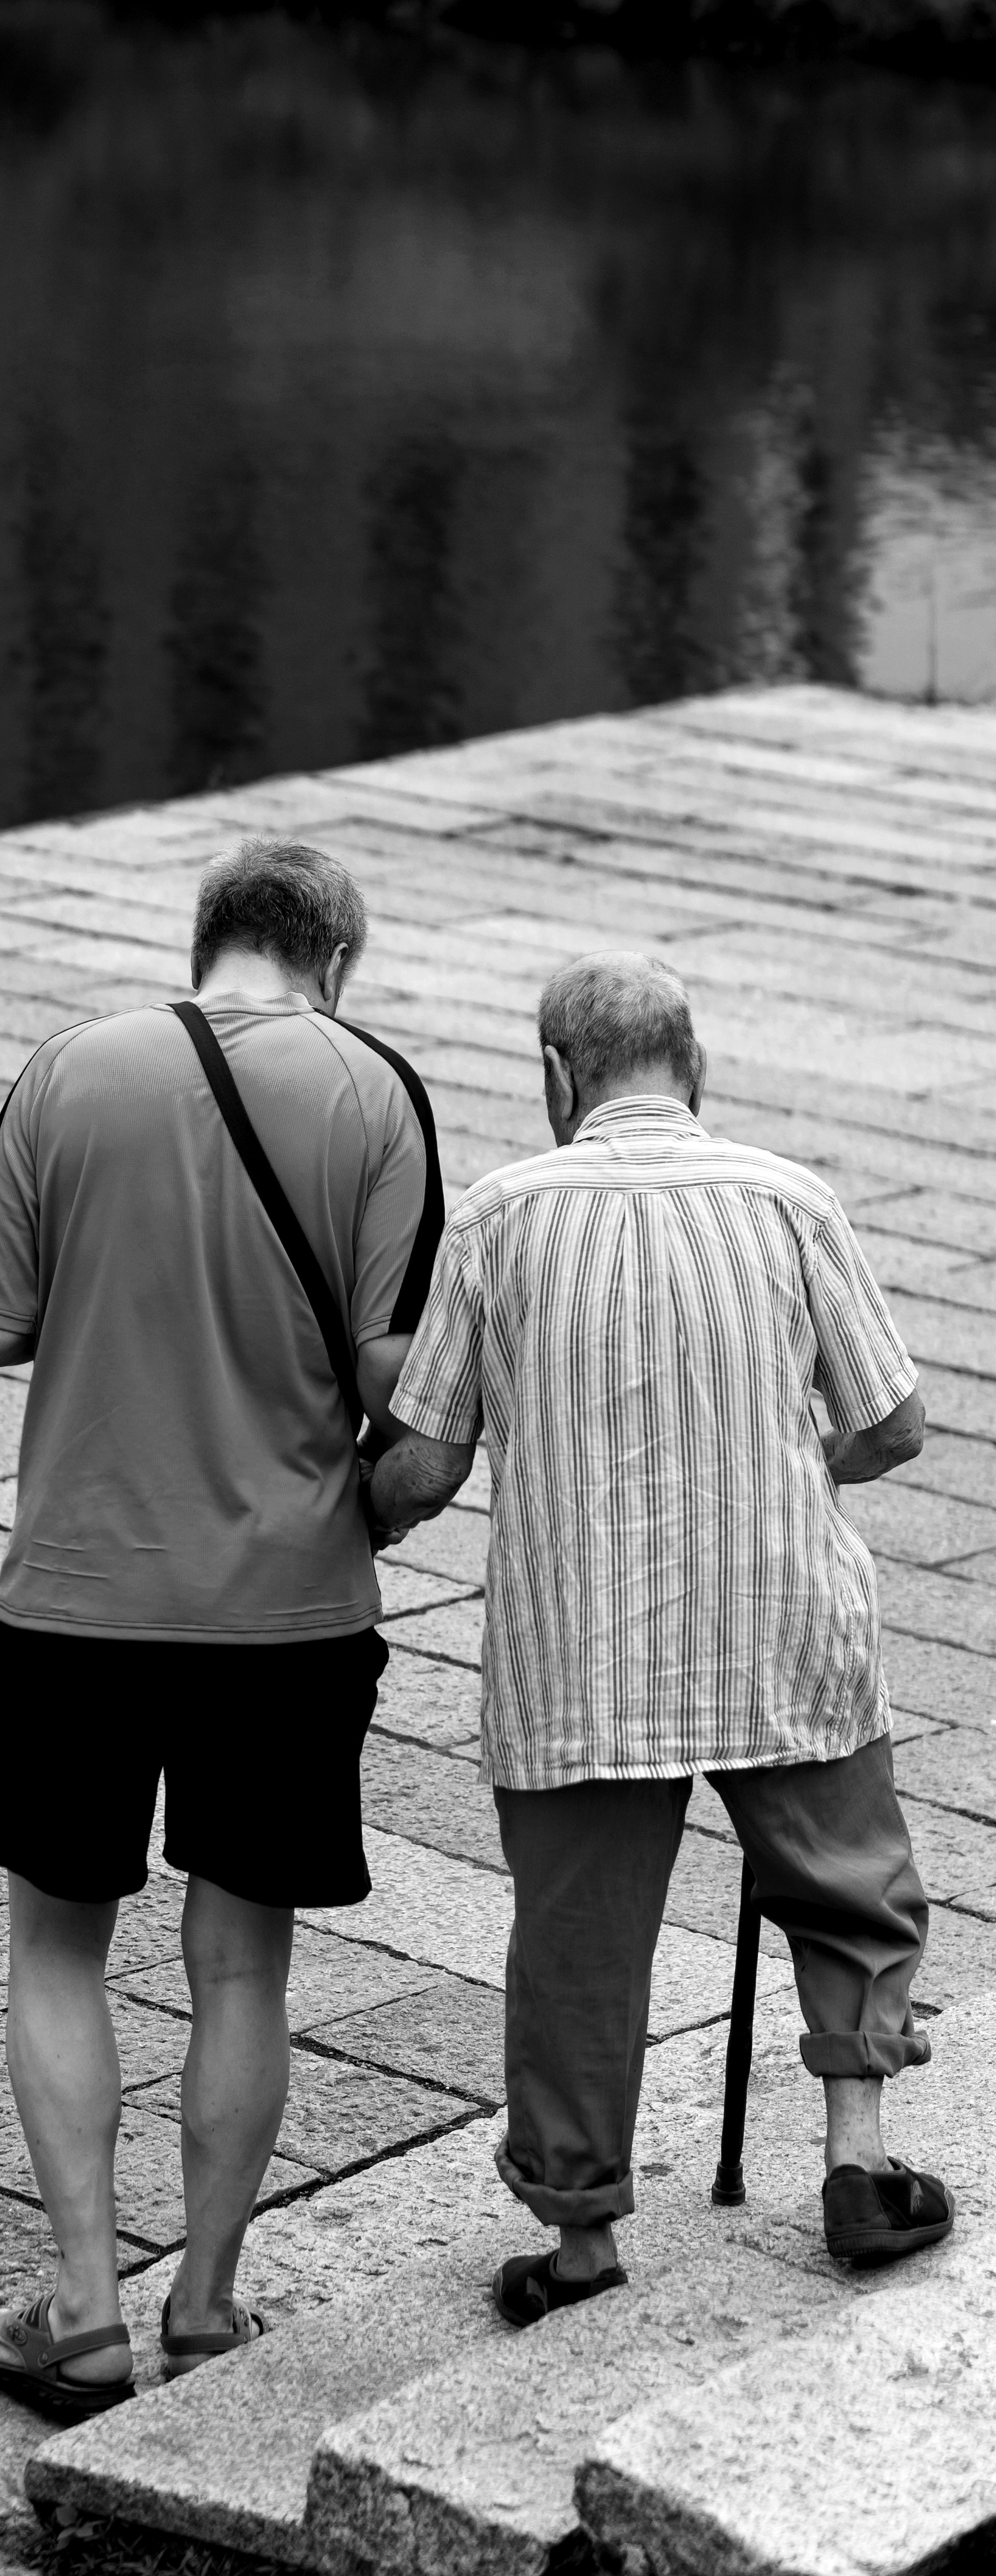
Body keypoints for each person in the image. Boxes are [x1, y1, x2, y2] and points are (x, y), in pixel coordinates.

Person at [371, 949, 950, 2325]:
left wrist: (356, 1518)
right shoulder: (786, 1196)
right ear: (693, 1069)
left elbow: (428, 1455)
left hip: (577, 1653)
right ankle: (859, 2160)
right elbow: (894, 1422)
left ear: (558, 1078)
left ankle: (578, 2240)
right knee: (847, 1886)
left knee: (576, 1944)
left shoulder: (502, 1217)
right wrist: (791, 1464)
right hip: (778, 1624)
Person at [0, 837, 443, 2413]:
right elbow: (405, 1385)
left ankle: (81, 2302)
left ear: (206, 939)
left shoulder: (65, 1068)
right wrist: (370, 1499)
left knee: (55, 1947)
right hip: (289, 1616)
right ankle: (208, 2307)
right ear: (335, 962)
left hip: (80, 1596)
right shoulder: (376, 1090)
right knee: (241, 1966)